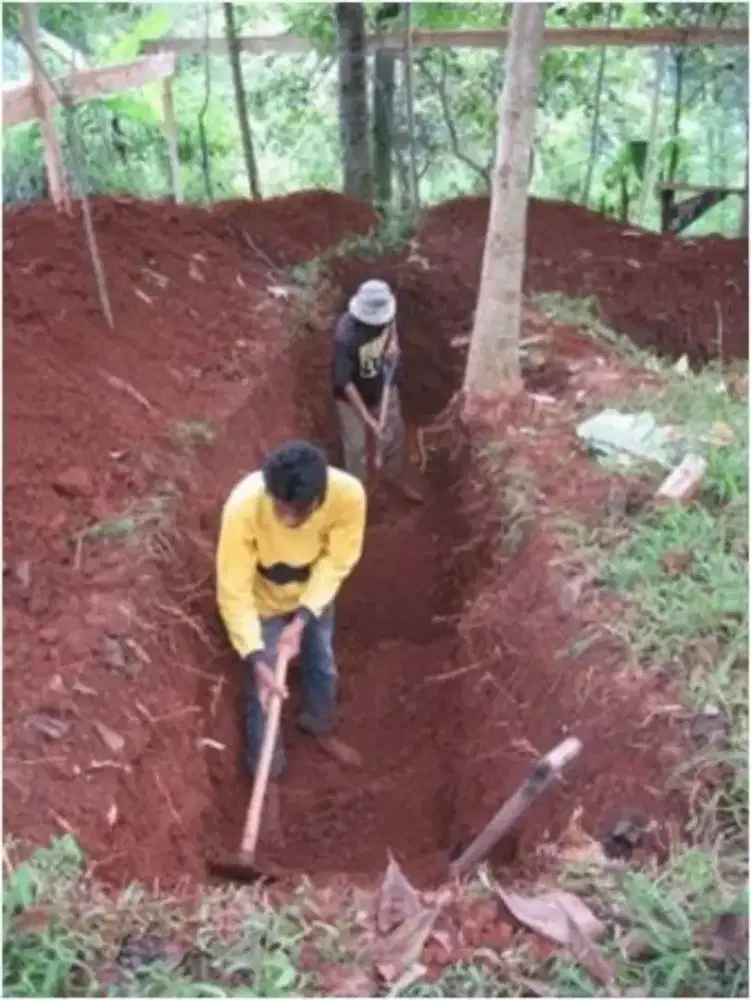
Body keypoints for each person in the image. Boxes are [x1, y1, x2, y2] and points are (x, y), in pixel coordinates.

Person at [216, 440, 366, 779]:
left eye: (292, 512)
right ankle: (267, 774)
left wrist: (302, 619)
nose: (282, 518)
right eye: (277, 507)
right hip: (261, 600)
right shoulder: (244, 507)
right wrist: (255, 657)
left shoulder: (348, 496)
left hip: (314, 593)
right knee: (264, 692)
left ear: (318, 499)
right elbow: (233, 590)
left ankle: (319, 725)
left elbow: (337, 560)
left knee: (323, 664)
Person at [332, 279, 422, 501]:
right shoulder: (347, 335)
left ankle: (396, 475)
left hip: (384, 384)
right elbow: (345, 382)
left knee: (394, 432)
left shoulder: (387, 313)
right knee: (356, 446)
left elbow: (391, 326)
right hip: (351, 397)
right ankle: (356, 494)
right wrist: (368, 419)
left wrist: (394, 344)